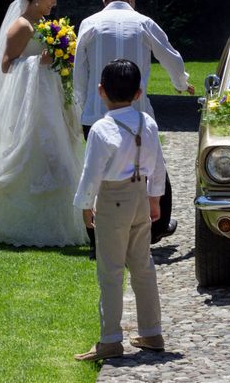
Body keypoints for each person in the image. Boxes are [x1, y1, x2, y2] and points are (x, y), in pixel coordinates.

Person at [73, 0, 194, 255]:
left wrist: (83, 103)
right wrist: (180, 83)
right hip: (136, 112)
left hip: (97, 112)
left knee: (98, 172)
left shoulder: (90, 23)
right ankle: (158, 224)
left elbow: (80, 69)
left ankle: (98, 236)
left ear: (104, 0)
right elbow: (171, 57)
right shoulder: (143, 22)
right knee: (151, 167)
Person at [0, 0, 87, 247]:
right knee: (38, 156)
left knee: (59, 155)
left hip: (50, 99)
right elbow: (5, 65)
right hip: (30, 105)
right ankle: (26, 224)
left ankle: (63, 220)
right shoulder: (22, 26)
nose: (54, 3)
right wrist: (41, 62)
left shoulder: (46, 26)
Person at [74, 59, 165, 361]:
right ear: (139, 93)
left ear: (101, 91)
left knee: (111, 270)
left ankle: (110, 339)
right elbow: (157, 166)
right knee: (143, 265)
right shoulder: (147, 122)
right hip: (140, 195)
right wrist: (154, 198)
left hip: (113, 199)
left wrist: (86, 204)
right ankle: (152, 332)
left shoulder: (102, 129)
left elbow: (92, 172)